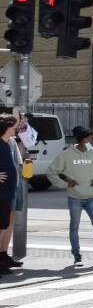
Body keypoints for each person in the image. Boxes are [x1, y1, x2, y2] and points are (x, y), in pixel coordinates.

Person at [48, 126, 93, 267]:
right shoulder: (67, 154)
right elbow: (51, 171)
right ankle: (77, 257)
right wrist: (65, 184)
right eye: (91, 138)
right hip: (75, 197)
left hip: (92, 197)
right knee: (74, 227)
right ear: (84, 139)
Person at [0, 111, 38, 268]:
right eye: (17, 125)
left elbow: (29, 145)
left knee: (9, 222)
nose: (18, 127)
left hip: (14, 187)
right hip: (4, 189)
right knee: (3, 223)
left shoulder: (12, 140)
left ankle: (3, 254)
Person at [0, 115, 18, 275]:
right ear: (6, 128)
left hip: (7, 193)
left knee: (4, 226)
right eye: (13, 126)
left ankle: (2, 258)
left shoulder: (6, 144)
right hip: (1, 194)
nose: (15, 129)